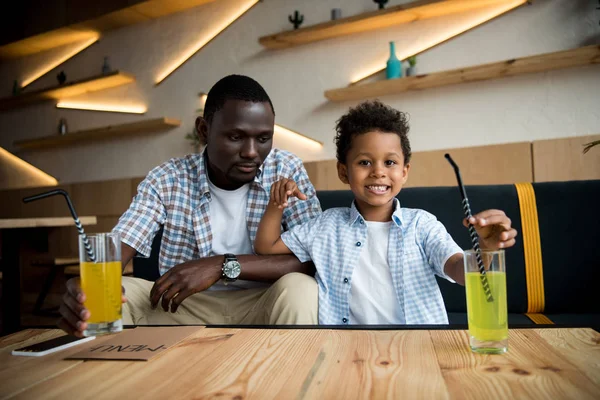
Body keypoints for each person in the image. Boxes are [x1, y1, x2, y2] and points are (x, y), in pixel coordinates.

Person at [58, 75, 322, 337]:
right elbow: (123, 242)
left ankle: (293, 372)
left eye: (263, 139)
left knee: (301, 288)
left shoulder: (286, 169)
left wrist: (220, 265)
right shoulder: (167, 179)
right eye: (236, 136)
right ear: (204, 130)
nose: (252, 152)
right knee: (118, 293)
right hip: (182, 308)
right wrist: (86, 288)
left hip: (263, 302)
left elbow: (314, 260)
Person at [254, 100, 518, 325]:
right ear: (343, 172)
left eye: (390, 162)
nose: (378, 171)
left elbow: (459, 271)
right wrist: (276, 205)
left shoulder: (422, 225)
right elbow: (267, 246)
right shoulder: (326, 225)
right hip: (346, 352)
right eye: (364, 162)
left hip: (417, 349)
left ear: (404, 172)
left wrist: (485, 249)